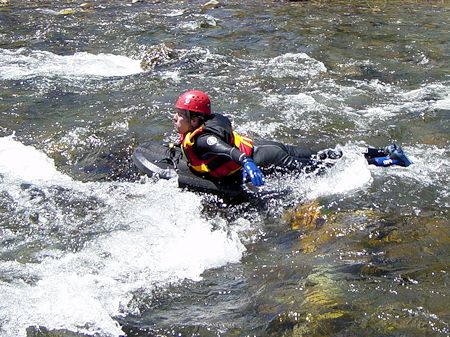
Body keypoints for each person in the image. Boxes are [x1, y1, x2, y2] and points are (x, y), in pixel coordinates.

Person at [172, 90, 412, 187]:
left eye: (180, 115)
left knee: (320, 167)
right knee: (323, 154)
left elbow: (223, 149)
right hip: (268, 146)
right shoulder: (213, 120)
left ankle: (386, 162)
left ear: (195, 120)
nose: (175, 119)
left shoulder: (202, 139)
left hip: (266, 158)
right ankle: (379, 151)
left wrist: (247, 163)